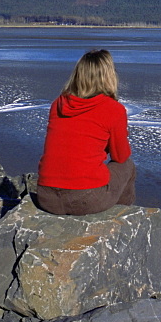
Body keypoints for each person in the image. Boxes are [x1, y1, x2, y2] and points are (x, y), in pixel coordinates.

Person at [36, 49, 136, 215]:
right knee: (128, 166)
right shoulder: (113, 109)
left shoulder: (58, 104)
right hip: (84, 199)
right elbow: (120, 157)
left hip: (46, 197)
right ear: (109, 76)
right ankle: (122, 218)